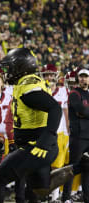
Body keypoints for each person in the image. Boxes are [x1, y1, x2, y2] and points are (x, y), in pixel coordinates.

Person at [0, 48, 61, 203]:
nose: (8, 72)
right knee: (37, 189)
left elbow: (55, 108)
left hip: (36, 146)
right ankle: (80, 167)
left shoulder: (28, 88)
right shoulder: (29, 82)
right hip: (40, 146)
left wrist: (45, 140)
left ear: (22, 67)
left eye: (11, 68)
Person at [41, 64, 70, 202]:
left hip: (60, 132)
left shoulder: (64, 91)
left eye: (51, 74)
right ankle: (42, 193)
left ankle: (55, 195)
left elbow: (66, 112)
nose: (49, 77)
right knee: (42, 164)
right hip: (42, 132)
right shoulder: (39, 90)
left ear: (56, 76)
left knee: (57, 165)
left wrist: (69, 130)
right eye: (46, 74)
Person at [62, 69, 89, 203]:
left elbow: (85, 112)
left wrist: (85, 113)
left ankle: (86, 197)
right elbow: (82, 110)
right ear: (78, 79)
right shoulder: (74, 93)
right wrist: (84, 112)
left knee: (88, 168)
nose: (84, 79)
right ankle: (66, 197)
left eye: (86, 77)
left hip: (88, 136)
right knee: (73, 167)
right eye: (81, 77)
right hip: (78, 137)